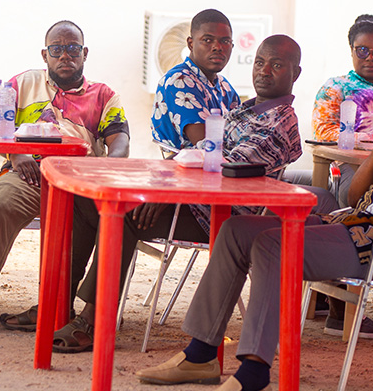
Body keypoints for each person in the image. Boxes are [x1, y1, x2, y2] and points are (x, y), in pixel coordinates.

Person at [136, 52, 373, 391]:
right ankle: (200, 355)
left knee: (273, 244)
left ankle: (253, 370)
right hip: (359, 230)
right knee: (235, 231)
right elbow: (353, 197)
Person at [38, 35, 340, 353]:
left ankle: (93, 320)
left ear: (296, 72)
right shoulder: (246, 109)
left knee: (125, 214)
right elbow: (202, 153)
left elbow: (224, 169)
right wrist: (166, 187)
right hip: (195, 199)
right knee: (86, 202)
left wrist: (168, 194)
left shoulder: (280, 123)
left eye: (277, 65)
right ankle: (61, 302)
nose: (264, 71)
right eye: (259, 62)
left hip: (219, 215)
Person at [0, 20, 130, 332]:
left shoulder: (104, 95)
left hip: (79, 179)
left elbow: (120, 141)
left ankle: (64, 307)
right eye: (57, 49)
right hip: (27, 174)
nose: (65, 55)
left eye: (73, 49)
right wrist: (17, 153)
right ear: (45, 54)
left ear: (84, 53)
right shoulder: (20, 84)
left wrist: (103, 169)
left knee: (110, 217)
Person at [312, 14, 373, 207]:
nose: (371, 58)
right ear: (351, 50)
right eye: (362, 51)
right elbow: (323, 133)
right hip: (353, 166)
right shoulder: (336, 87)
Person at [151, 8, 240, 152]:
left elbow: (243, 132)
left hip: (220, 169)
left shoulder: (224, 86)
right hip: (185, 171)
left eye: (225, 41)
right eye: (207, 40)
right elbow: (209, 147)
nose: (217, 47)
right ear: (191, 44)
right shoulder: (179, 81)